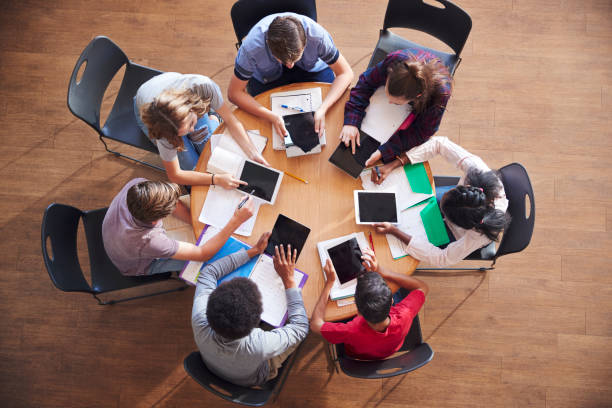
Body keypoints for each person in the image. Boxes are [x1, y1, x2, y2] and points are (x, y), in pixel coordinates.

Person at [372, 136, 511, 267]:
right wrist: (396, 163)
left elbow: (442, 258)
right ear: (467, 186)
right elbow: (440, 143)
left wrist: (395, 231)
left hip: (452, 233)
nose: (438, 204)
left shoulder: (478, 236)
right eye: (447, 193)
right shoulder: (478, 170)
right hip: (458, 208)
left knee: (390, 247)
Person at [192, 243, 309, 386]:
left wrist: (253, 251)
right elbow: (301, 328)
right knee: (295, 333)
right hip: (253, 377)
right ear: (256, 324)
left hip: (212, 366)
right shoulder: (259, 343)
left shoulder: (199, 318)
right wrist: (289, 280)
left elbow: (208, 273)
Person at [228, 13, 353, 138]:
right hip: (268, 77)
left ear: (306, 42)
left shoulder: (317, 36)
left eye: (295, 59)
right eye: (282, 60)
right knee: (265, 128)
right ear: (268, 45)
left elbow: (345, 73)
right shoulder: (251, 49)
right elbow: (234, 93)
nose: (290, 66)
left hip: (311, 69)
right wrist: (271, 116)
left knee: (332, 114)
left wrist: (322, 108)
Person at [135, 72, 268, 187]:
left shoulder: (203, 86)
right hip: (146, 107)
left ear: (191, 108)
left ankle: (213, 116)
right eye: (183, 133)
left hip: (172, 88)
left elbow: (231, 120)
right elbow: (175, 175)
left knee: (209, 148)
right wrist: (214, 179)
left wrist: (253, 152)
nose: (192, 130)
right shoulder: (162, 130)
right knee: (193, 167)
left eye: (192, 123)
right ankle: (211, 119)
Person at [102, 178, 255, 276]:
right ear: (156, 221)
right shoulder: (149, 241)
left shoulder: (137, 186)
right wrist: (236, 221)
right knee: (209, 263)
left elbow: (173, 203)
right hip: (137, 264)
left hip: (114, 232)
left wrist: (195, 223)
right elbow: (202, 254)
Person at [310, 249, 429, 360]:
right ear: (391, 301)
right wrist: (383, 272)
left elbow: (315, 325)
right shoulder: (404, 314)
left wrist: (329, 284)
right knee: (399, 289)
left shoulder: (351, 330)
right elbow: (423, 287)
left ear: (357, 311)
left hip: (359, 355)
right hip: (390, 348)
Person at [339, 48, 451, 164]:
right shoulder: (395, 60)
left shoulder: (440, 95)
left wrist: (385, 151)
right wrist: (351, 121)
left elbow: (421, 133)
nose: (389, 103)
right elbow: (365, 82)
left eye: (396, 103)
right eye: (386, 92)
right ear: (389, 75)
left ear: (417, 96)